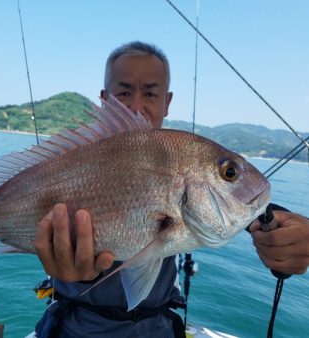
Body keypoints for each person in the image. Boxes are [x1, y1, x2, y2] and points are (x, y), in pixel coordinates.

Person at [34, 41, 309, 338]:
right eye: (124, 92)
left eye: (150, 93)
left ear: (167, 101)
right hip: (76, 327)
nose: (137, 105)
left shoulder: (184, 158)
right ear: (105, 100)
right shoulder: (75, 159)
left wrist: (286, 235)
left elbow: (234, 209)